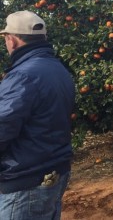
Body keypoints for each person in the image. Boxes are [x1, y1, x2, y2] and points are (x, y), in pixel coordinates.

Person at [0, 11, 75, 219]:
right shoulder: (57, 68)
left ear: (12, 40)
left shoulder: (22, 75)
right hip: (55, 170)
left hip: (27, 179)